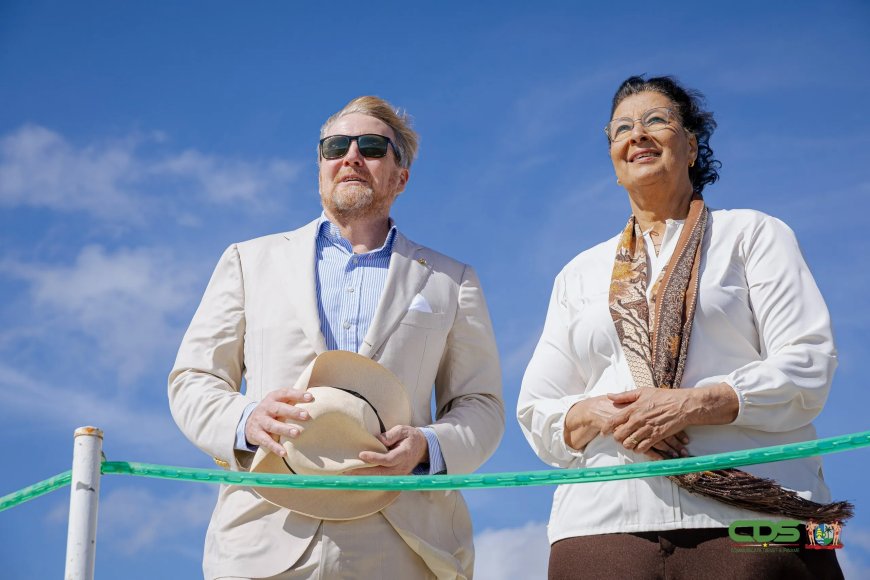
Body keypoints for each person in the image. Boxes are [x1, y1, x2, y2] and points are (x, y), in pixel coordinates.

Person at [517, 75, 847, 579]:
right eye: (621, 129)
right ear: (613, 159)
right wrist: (604, 413)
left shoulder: (753, 235)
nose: (638, 135)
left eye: (656, 121)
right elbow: (538, 409)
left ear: (690, 145)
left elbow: (807, 364)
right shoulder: (579, 272)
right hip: (603, 527)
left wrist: (692, 403)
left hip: (753, 521)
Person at [169, 96, 504, 580]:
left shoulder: (451, 280)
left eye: (371, 146)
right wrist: (245, 419)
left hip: (405, 542)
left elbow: (481, 403)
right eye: (334, 147)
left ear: (400, 176)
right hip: (265, 536)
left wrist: (429, 446)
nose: (351, 156)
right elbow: (194, 378)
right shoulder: (248, 261)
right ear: (320, 167)